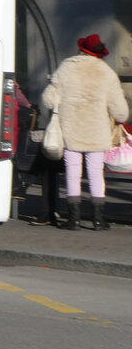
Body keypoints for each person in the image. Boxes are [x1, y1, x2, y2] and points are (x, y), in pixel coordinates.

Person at [42, 33, 129, 230]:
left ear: (81, 49)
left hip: (71, 130)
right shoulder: (106, 73)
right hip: (97, 131)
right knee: (96, 174)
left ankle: (74, 219)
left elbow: (48, 99)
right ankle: (99, 219)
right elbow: (121, 112)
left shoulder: (66, 68)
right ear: (100, 53)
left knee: (73, 174)